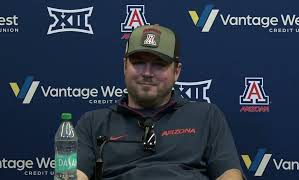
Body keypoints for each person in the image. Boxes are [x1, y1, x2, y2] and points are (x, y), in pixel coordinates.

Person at [76, 24, 245, 180]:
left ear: (177, 71)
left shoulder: (207, 116)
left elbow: (230, 174)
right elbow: (73, 175)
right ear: (124, 66)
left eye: (159, 64)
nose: (148, 73)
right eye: (139, 62)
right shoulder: (92, 123)